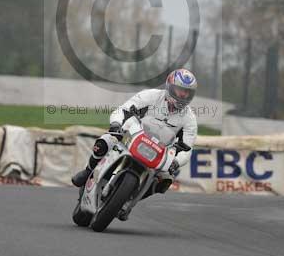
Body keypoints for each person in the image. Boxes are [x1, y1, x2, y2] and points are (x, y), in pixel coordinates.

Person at [71, 68, 198, 218]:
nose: (183, 95)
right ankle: (88, 171)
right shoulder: (149, 96)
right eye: (180, 90)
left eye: (187, 92)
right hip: (131, 137)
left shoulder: (189, 119)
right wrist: (116, 124)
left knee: (165, 180)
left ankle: (129, 201)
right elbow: (123, 109)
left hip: (158, 153)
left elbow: (187, 148)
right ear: (170, 86)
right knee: (105, 142)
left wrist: (176, 161)